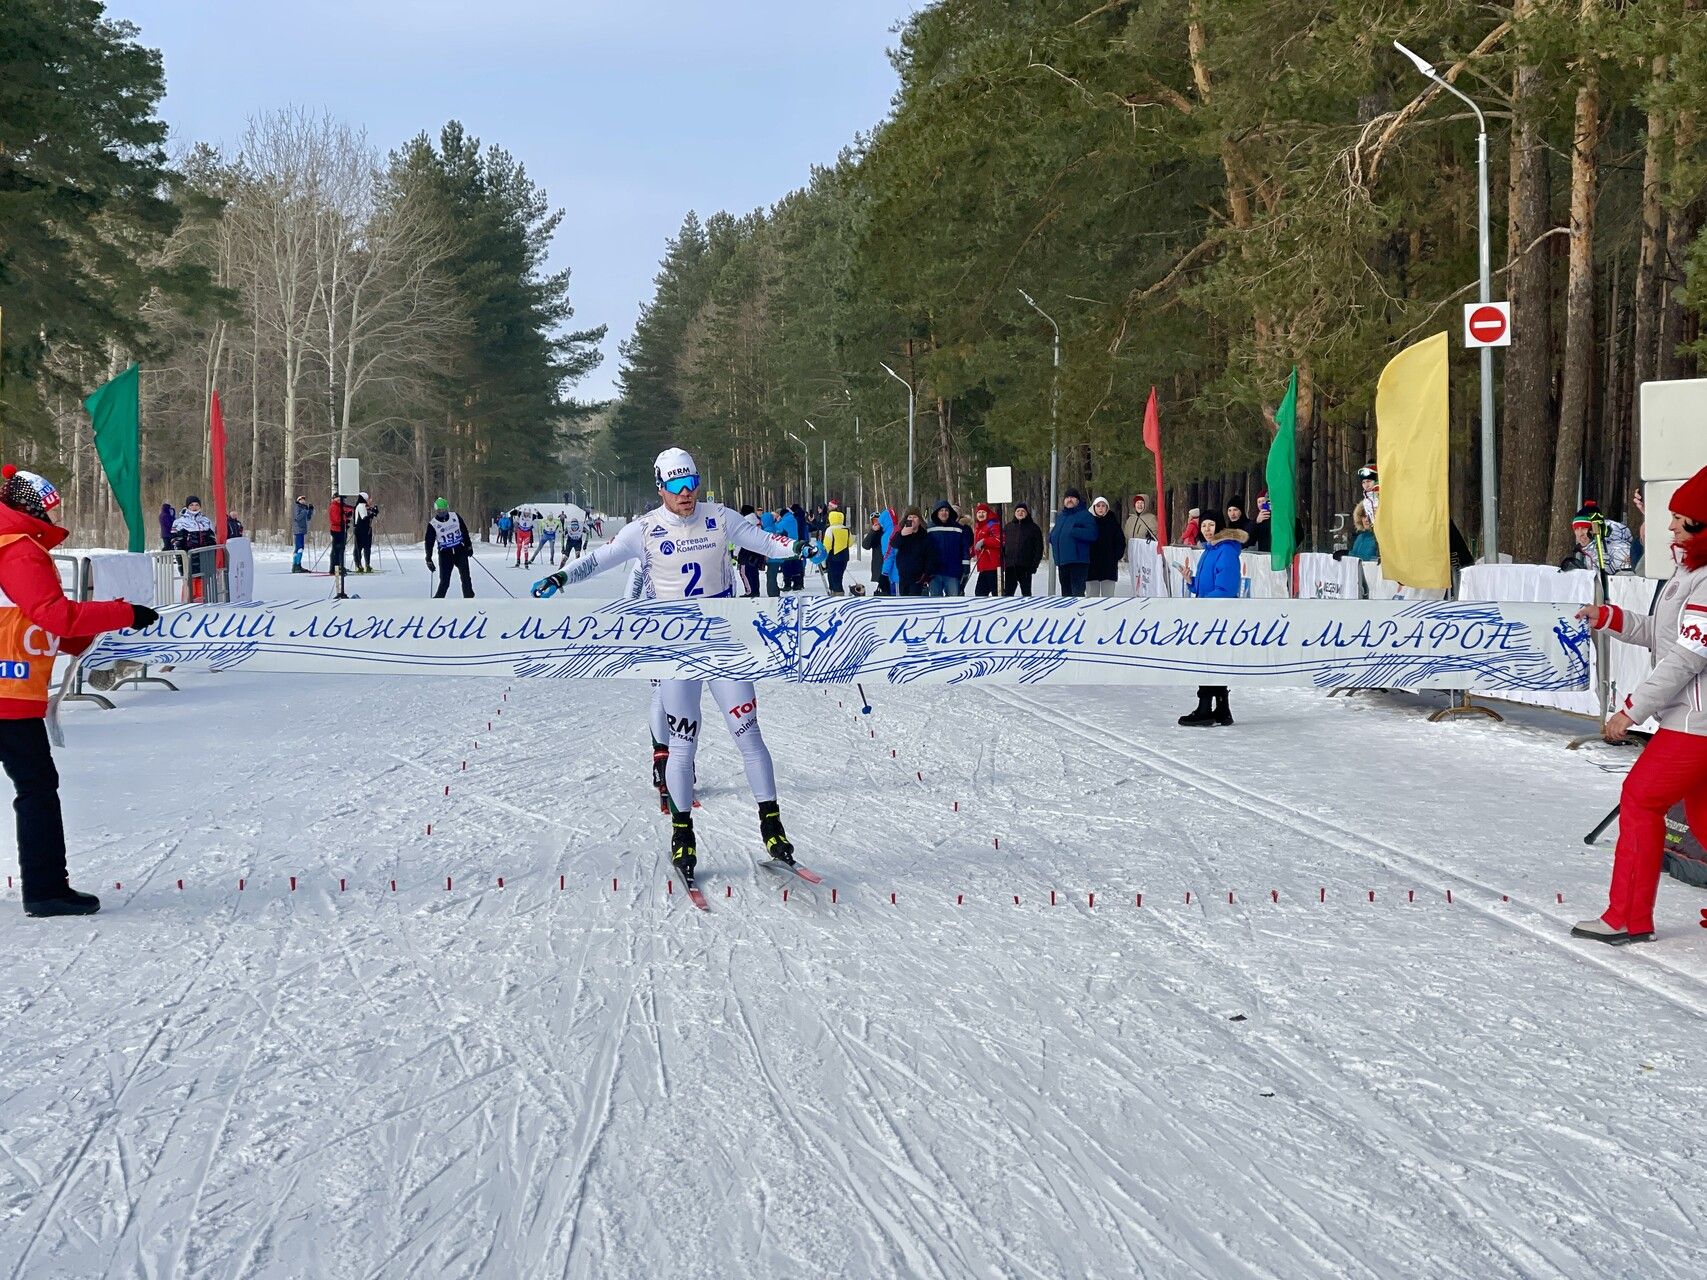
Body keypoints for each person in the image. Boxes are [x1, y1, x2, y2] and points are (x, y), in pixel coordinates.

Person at [531, 448, 803, 887]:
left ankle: (772, 828)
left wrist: (797, 547)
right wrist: (562, 577)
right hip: (676, 650)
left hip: (722, 643)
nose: (685, 494)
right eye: (675, 487)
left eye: (691, 483)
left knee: (749, 735)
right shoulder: (645, 530)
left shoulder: (720, 516)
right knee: (682, 746)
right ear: (660, 488)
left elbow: (767, 541)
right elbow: (601, 559)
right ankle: (683, 834)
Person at [0, 465, 157, 916]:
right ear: (31, 508)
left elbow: (31, 618)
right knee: (36, 790)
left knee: (35, 788)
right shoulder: (19, 549)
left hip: (12, 689)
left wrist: (81, 638)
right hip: (9, 694)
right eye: (49, 509)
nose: (53, 517)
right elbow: (55, 614)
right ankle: (46, 890)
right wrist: (123, 613)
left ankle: (47, 888)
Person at [1571, 466, 1707, 944]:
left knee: (1640, 799)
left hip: (1695, 724)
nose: (1669, 526)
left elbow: (1687, 660)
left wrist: (1630, 710)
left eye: (1680, 518)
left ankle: (1626, 916)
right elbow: (1663, 635)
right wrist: (1609, 616)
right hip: (1692, 720)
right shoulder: (1688, 573)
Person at [1178, 514, 1246, 727]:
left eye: (1211, 525)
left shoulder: (1225, 550)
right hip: (1209, 610)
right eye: (1204, 525)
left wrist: (1204, 603)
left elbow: (1225, 589)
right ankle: (1222, 708)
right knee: (1213, 660)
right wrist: (1192, 582)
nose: (1207, 529)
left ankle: (1206, 707)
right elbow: (1206, 585)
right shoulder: (1210, 550)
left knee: (1208, 660)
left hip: (1218, 613)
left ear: (1220, 527)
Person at [1561, 501, 1634, 575]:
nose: (1580, 534)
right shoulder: (1589, 551)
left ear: (1595, 529)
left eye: (1584, 528)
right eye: (1576, 529)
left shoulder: (1619, 550)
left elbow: (1631, 582)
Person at [1048, 489, 1096, 597]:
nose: (1069, 500)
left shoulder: (1085, 515)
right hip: (1062, 562)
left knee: (1077, 594)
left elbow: (1092, 534)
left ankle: (1078, 614)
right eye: (1067, 497)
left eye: (1072, 497)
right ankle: (1068, 614)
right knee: (1066, 595)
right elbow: (1056, 533)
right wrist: (1051, 537)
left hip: (1078, 562)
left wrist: (1074, 531)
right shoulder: (1061, 516)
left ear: (1077, 500)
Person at [926, 501, 970, 596]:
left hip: (953, 571)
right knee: (935, 600)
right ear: (936, 512)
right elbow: (924, 549)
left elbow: (964, 548)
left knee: (954, 601)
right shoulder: (929, 528)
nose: (944, 512)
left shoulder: (958, 528)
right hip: (934, 572)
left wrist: (966, 564)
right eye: (941, 510)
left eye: (946, 510)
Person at [1086, 496, 1125, 597]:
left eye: (1103, 506)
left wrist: (1115, 556)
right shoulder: (1087, 521)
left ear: (1107, 507)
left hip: (1108, 567)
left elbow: (1120, 541)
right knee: (1091, 598)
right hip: (1091, 567)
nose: (1100, 508)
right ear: (1094, 507)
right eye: (1098, 506)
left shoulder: (1113, 522)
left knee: (1108, 598)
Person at [1002, 503, 1043, 596]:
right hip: (1010, 566)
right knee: (1008, 594)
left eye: (1023, 511)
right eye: (1018, 511)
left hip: (1025, 567)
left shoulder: (1034, 528)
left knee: (1026, 593)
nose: (1020, 513)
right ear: (1015, 513)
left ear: (1027, 513)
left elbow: (1039, 548)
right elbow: (1003, 546)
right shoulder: (1008, 527)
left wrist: (1034, 565)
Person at [893, 507, 930, 595]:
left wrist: (926, 574)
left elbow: (929, 556)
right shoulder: (901, 533)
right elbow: (894, 544)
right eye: (909, 517)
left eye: (915, 517)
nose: (912, 519)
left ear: (919, 520)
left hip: (918, 577)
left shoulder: (924, 535)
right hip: (903, 576)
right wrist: (902, 535)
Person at [971, 503, 1003, 596]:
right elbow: (976, 545)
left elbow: (1000, 540)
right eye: (979, 512)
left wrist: (984, 541)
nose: (981, 514)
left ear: (988, 513)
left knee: (995, 593)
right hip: (983, 566)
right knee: (980, 593)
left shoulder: (993, 524)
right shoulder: (979, 527)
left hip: (993, 565)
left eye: (983, 512)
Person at [821, 509, 852, 594]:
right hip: (844, 557)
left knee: (833, 577)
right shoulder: (846, 530)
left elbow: (826, 546)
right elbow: (850, 543)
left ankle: (837, 595)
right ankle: (838, 592)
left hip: (833, 557)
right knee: (839, 577)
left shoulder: (830, 530)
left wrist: (823, 559)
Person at [737, 505, 765, 596]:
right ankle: (755, 590)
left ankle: (750, 591)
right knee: (753, 571)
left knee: (744, 571)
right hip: (756, 549)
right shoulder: (757, 521)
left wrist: (736, 552)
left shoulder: (744, 521)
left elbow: (740, 537)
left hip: (746, 550)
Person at [862, 515, 890, 595]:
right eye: (874, 521)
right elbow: (865, 545)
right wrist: (873, 531)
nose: (877, 523)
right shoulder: (875, 534)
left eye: (878, 520)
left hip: (889, 565)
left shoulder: (888, 531)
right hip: (879, 565)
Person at [351, 493, 377, 572]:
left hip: (366, 529)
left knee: (367, 547)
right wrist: (371, 515)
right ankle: (359, 565)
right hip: (361, 529)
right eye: (368, 498)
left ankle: (367, 564)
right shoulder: (361, 506)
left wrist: (374, 511)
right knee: (359, 548)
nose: (370, 500)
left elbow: (369, 511)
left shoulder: (365, 506)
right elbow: (363, 518)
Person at [327, 492, 351, 576]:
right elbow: (336, 519)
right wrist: (345, 518)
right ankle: (335, 567)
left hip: (340, 529)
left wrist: (346, 517)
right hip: (336, 530)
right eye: (339, 499)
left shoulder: (339, 506)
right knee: (337, 549)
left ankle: (338, 566)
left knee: (340, 549)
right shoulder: (334, 506)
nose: (341, 500)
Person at [291, 496, 313, 572]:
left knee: (300, 548)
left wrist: (310, 510)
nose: (303, 501)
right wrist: (304, 511)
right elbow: (297, 518)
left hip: (302, 529)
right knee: (299, 548)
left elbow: (308, 518)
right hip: (298, 529)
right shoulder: (297, 507)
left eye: (304, 499)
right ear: (298, 500)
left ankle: (297, 565)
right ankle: (296, 565)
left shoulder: (303, 507)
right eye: (301, 500)